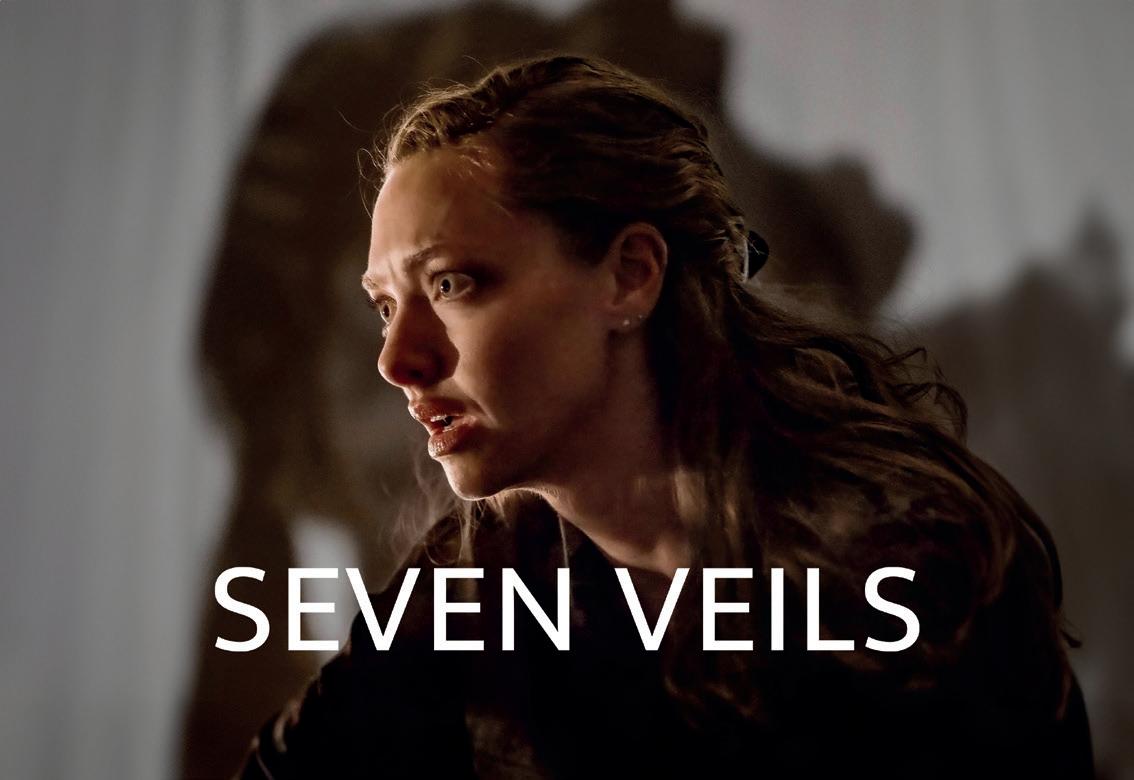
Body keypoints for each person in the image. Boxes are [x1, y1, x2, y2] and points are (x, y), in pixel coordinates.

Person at [235, 54, 1092, 778]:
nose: (398, 360)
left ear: (631, 274)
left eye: (453, 284)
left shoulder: (902, 573)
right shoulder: (470, 591)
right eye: (386, 307)